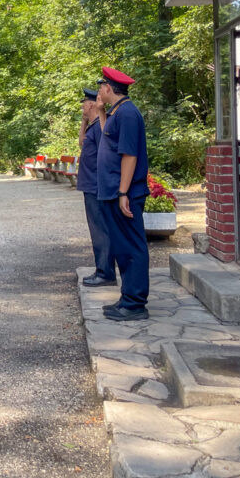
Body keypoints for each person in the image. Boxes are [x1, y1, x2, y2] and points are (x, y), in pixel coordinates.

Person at [96, 67, 150, 321]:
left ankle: (135, 303)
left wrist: (123, 192)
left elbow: (130, 155)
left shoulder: (127, 113)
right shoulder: (117, 112)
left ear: (109, 87)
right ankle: (127, 297)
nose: (99, 91)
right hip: (114, 192)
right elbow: (109, 140)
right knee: (122, 247)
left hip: (125, 193)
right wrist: (101, 112)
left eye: (101, 87)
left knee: (132, 247)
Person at [77, 88, 115, 287]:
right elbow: (81, 143)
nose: (82, 108)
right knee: (97, 230)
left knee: (101, 230)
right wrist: (84, 121)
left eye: (84, 104)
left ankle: (105, 273)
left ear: (91, 104)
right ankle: (102, 269)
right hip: (90, 186)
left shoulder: (101, 127)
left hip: (96, 186)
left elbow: (107, 154)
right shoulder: (93, 126)